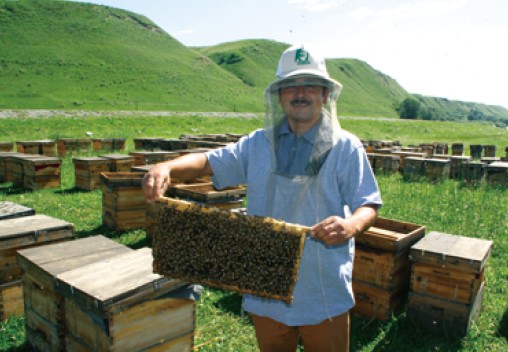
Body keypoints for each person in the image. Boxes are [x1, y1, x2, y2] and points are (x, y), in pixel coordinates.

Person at [143, 44, 382, 352]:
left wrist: (351, 226)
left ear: (325, 95)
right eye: (291, 86)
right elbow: (208, 162)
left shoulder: (346, 147)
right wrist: (167, 167)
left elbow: (369, 202)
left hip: (322, 286)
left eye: (310, 85)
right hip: (264, 282)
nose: (300, 93)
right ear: (279, 95)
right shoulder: (256, 144)